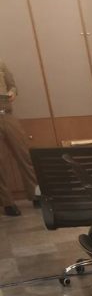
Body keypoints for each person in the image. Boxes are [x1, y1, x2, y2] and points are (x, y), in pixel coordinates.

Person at [0, 57, 38, 216]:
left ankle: (36, 195)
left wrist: (12, 93)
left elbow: (13, 86)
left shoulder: (1, 63)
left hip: (7, 115)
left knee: (25, 156)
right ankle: (7, 203)